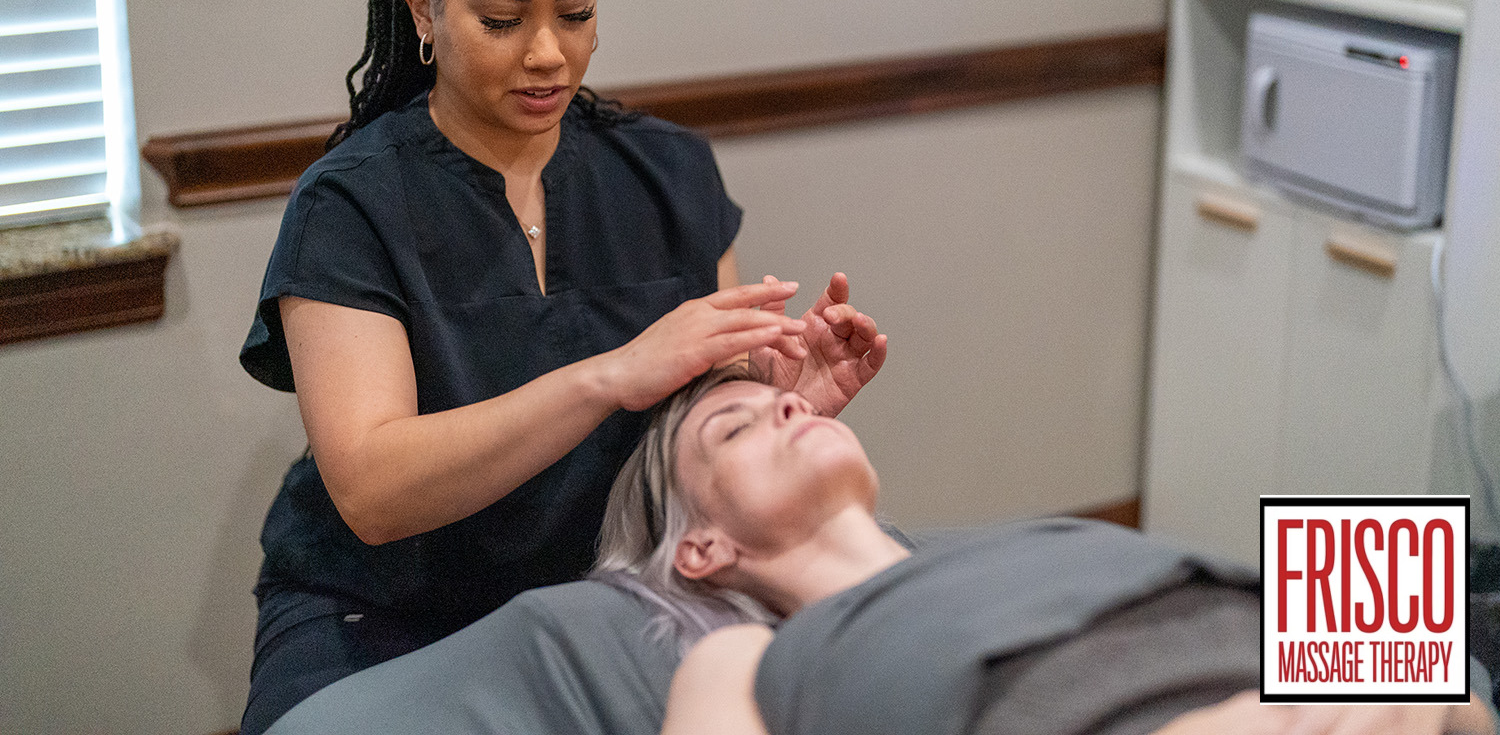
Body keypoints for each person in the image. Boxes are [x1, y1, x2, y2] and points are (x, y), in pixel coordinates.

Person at [236, 0, 888, 735]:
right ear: (424, 9)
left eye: (575, 12)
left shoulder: (665, 171)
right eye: (502, 19)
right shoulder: (353, 205)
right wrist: (607, 379)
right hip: (384, 614)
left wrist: (769, 397)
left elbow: (687, 419)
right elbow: (374, 492)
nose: (549, 54)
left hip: (615, 589)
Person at [593, 367, 1498, 735]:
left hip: (1357, 694)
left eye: (786, 401)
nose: (789, 405)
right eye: (734, 428)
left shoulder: (1033, 537)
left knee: (1446, 568)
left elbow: (1447, 681)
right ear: (701, 547)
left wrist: (1418, 698)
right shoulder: (745, 656)